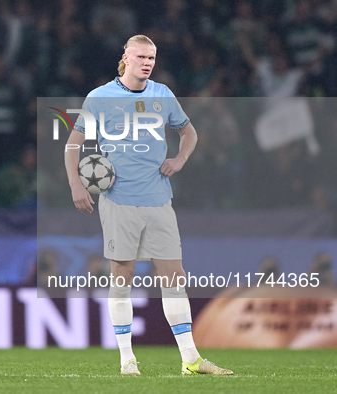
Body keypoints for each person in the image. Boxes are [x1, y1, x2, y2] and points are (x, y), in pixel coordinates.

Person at [64, 35, 232, 376]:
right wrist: (76, 184)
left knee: (174, 278)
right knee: (121, 277)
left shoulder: (162, 94)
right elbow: (72, 145)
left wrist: (181, 158)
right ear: (125, 56)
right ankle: (127, 360)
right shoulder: (100, 97)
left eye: (152, 57)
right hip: (118, 200)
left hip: (158, 199)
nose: (147, 62)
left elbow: (189, 133)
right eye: (141, 55)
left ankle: (191, 360)